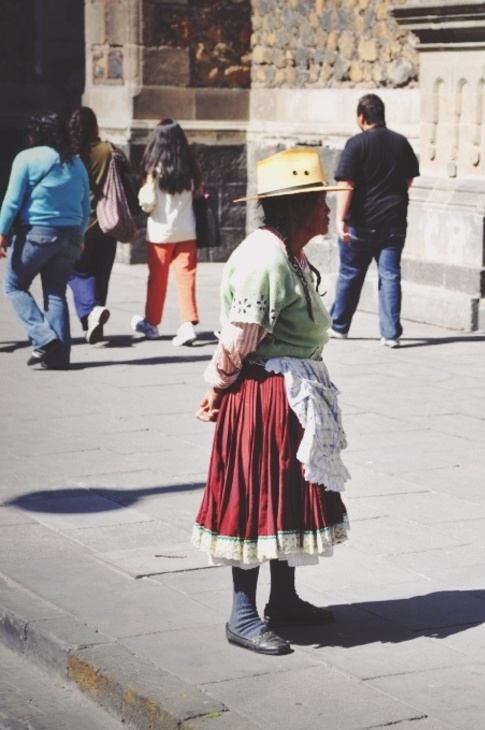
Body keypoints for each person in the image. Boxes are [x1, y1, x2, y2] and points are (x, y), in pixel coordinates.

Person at [191, 148, 351, 655]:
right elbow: (240, 338)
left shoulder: (289, 253)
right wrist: (217, 387)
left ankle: (283, 600)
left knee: (283, 494)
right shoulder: (265, 259)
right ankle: (242, 614)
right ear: (296, 207)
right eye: (320, 201)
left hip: (289, 394)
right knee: (256, 497)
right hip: (263, 398)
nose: (327, 209)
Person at [327, 93, 419, 347]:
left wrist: (340, 219)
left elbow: (347, 183)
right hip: (394, 221)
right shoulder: (401, 143)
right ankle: (390, 334)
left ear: (361, 117)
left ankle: (340, 325)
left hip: (361, 221)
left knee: (350, 273)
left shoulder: (356, 145)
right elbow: (409, 178)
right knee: (390, 275)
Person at [0, 111, 89, 370]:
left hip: (37, 233)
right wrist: (80, 235)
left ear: (35, 133)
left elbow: (12, 201)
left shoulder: (26, 158)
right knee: (56, 293)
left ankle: (43, 337)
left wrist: (2, 232)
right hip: (71, 234)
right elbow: (85, 204)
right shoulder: (75, 162)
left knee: (14, 285)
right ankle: (59, 358)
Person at [133, 118, 201, 346]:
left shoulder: (154, 169)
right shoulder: (190, 168)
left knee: (157, 280)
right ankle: (187, 324)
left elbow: (147, 202)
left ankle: (152, 323)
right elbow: (198, 193)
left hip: (160, 233)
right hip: (187, 231)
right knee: (186, 280)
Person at [68, 106, 125, 345]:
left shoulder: (70, 154)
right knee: (102, 274)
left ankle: (91, 314)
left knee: (76, 272)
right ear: (95, 126)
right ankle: (95, 316)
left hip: (78, 224)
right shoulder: (109, 150)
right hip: (107, 223)